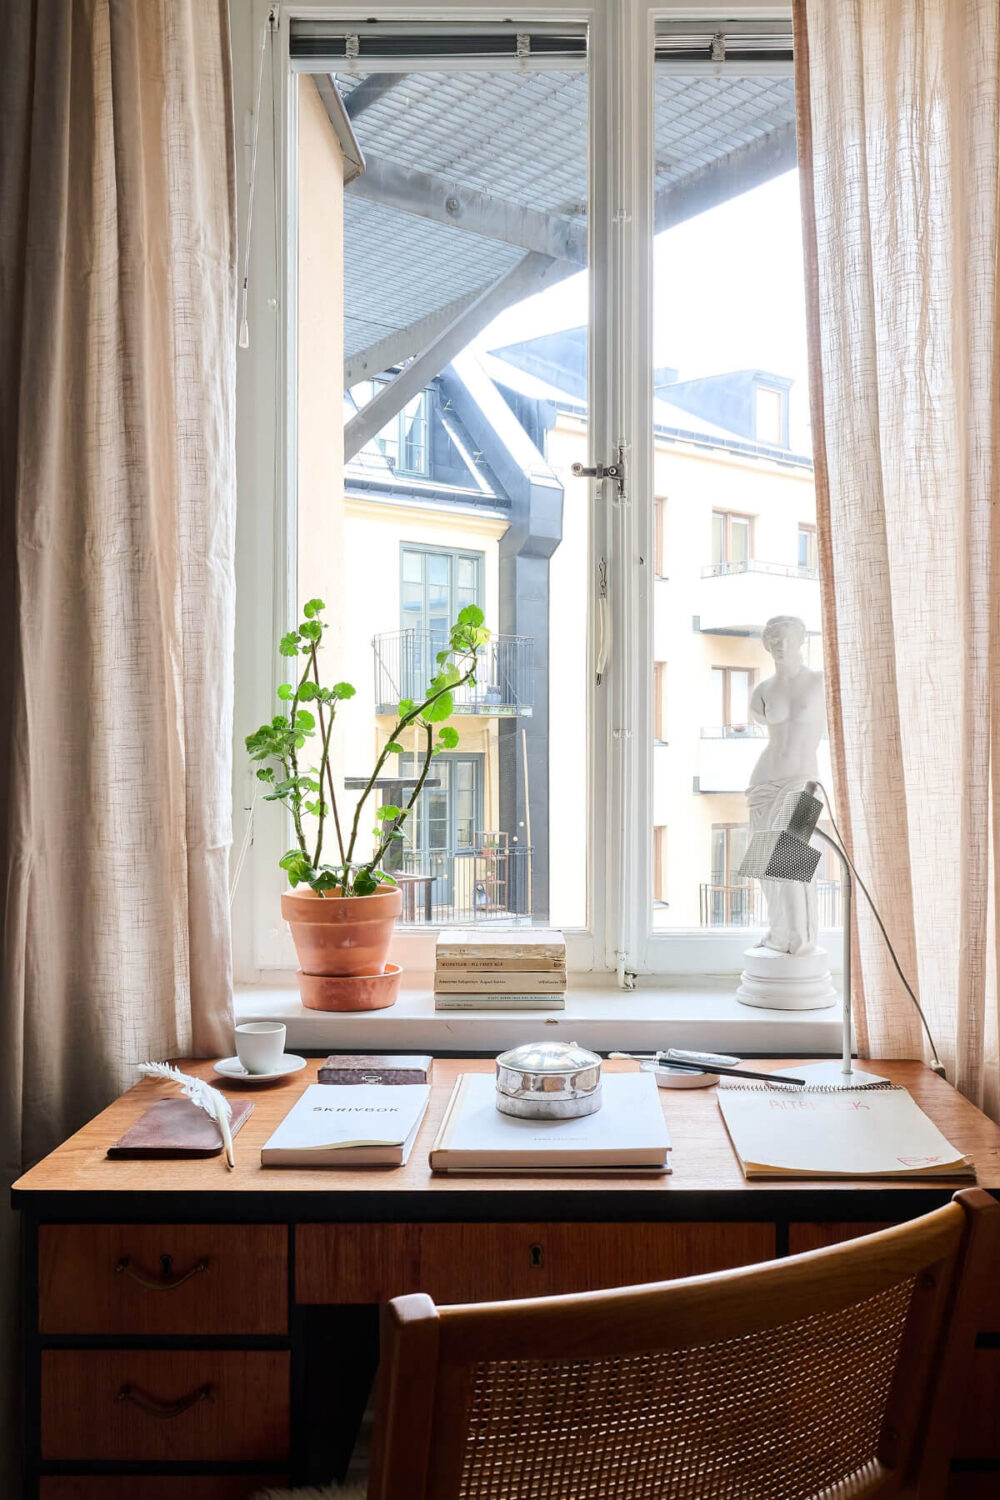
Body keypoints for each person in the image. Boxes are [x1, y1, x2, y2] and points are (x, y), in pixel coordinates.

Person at [746, 615, 826, 955]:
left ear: (800, 641)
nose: (781, 646)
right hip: (765, 780)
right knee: (766, 865)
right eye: (774, 640)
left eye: (787, 639)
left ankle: (801, 938)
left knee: (789, 860)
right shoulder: (763, 690)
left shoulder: (821, 682)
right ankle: (780, 934)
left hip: (804, 780)